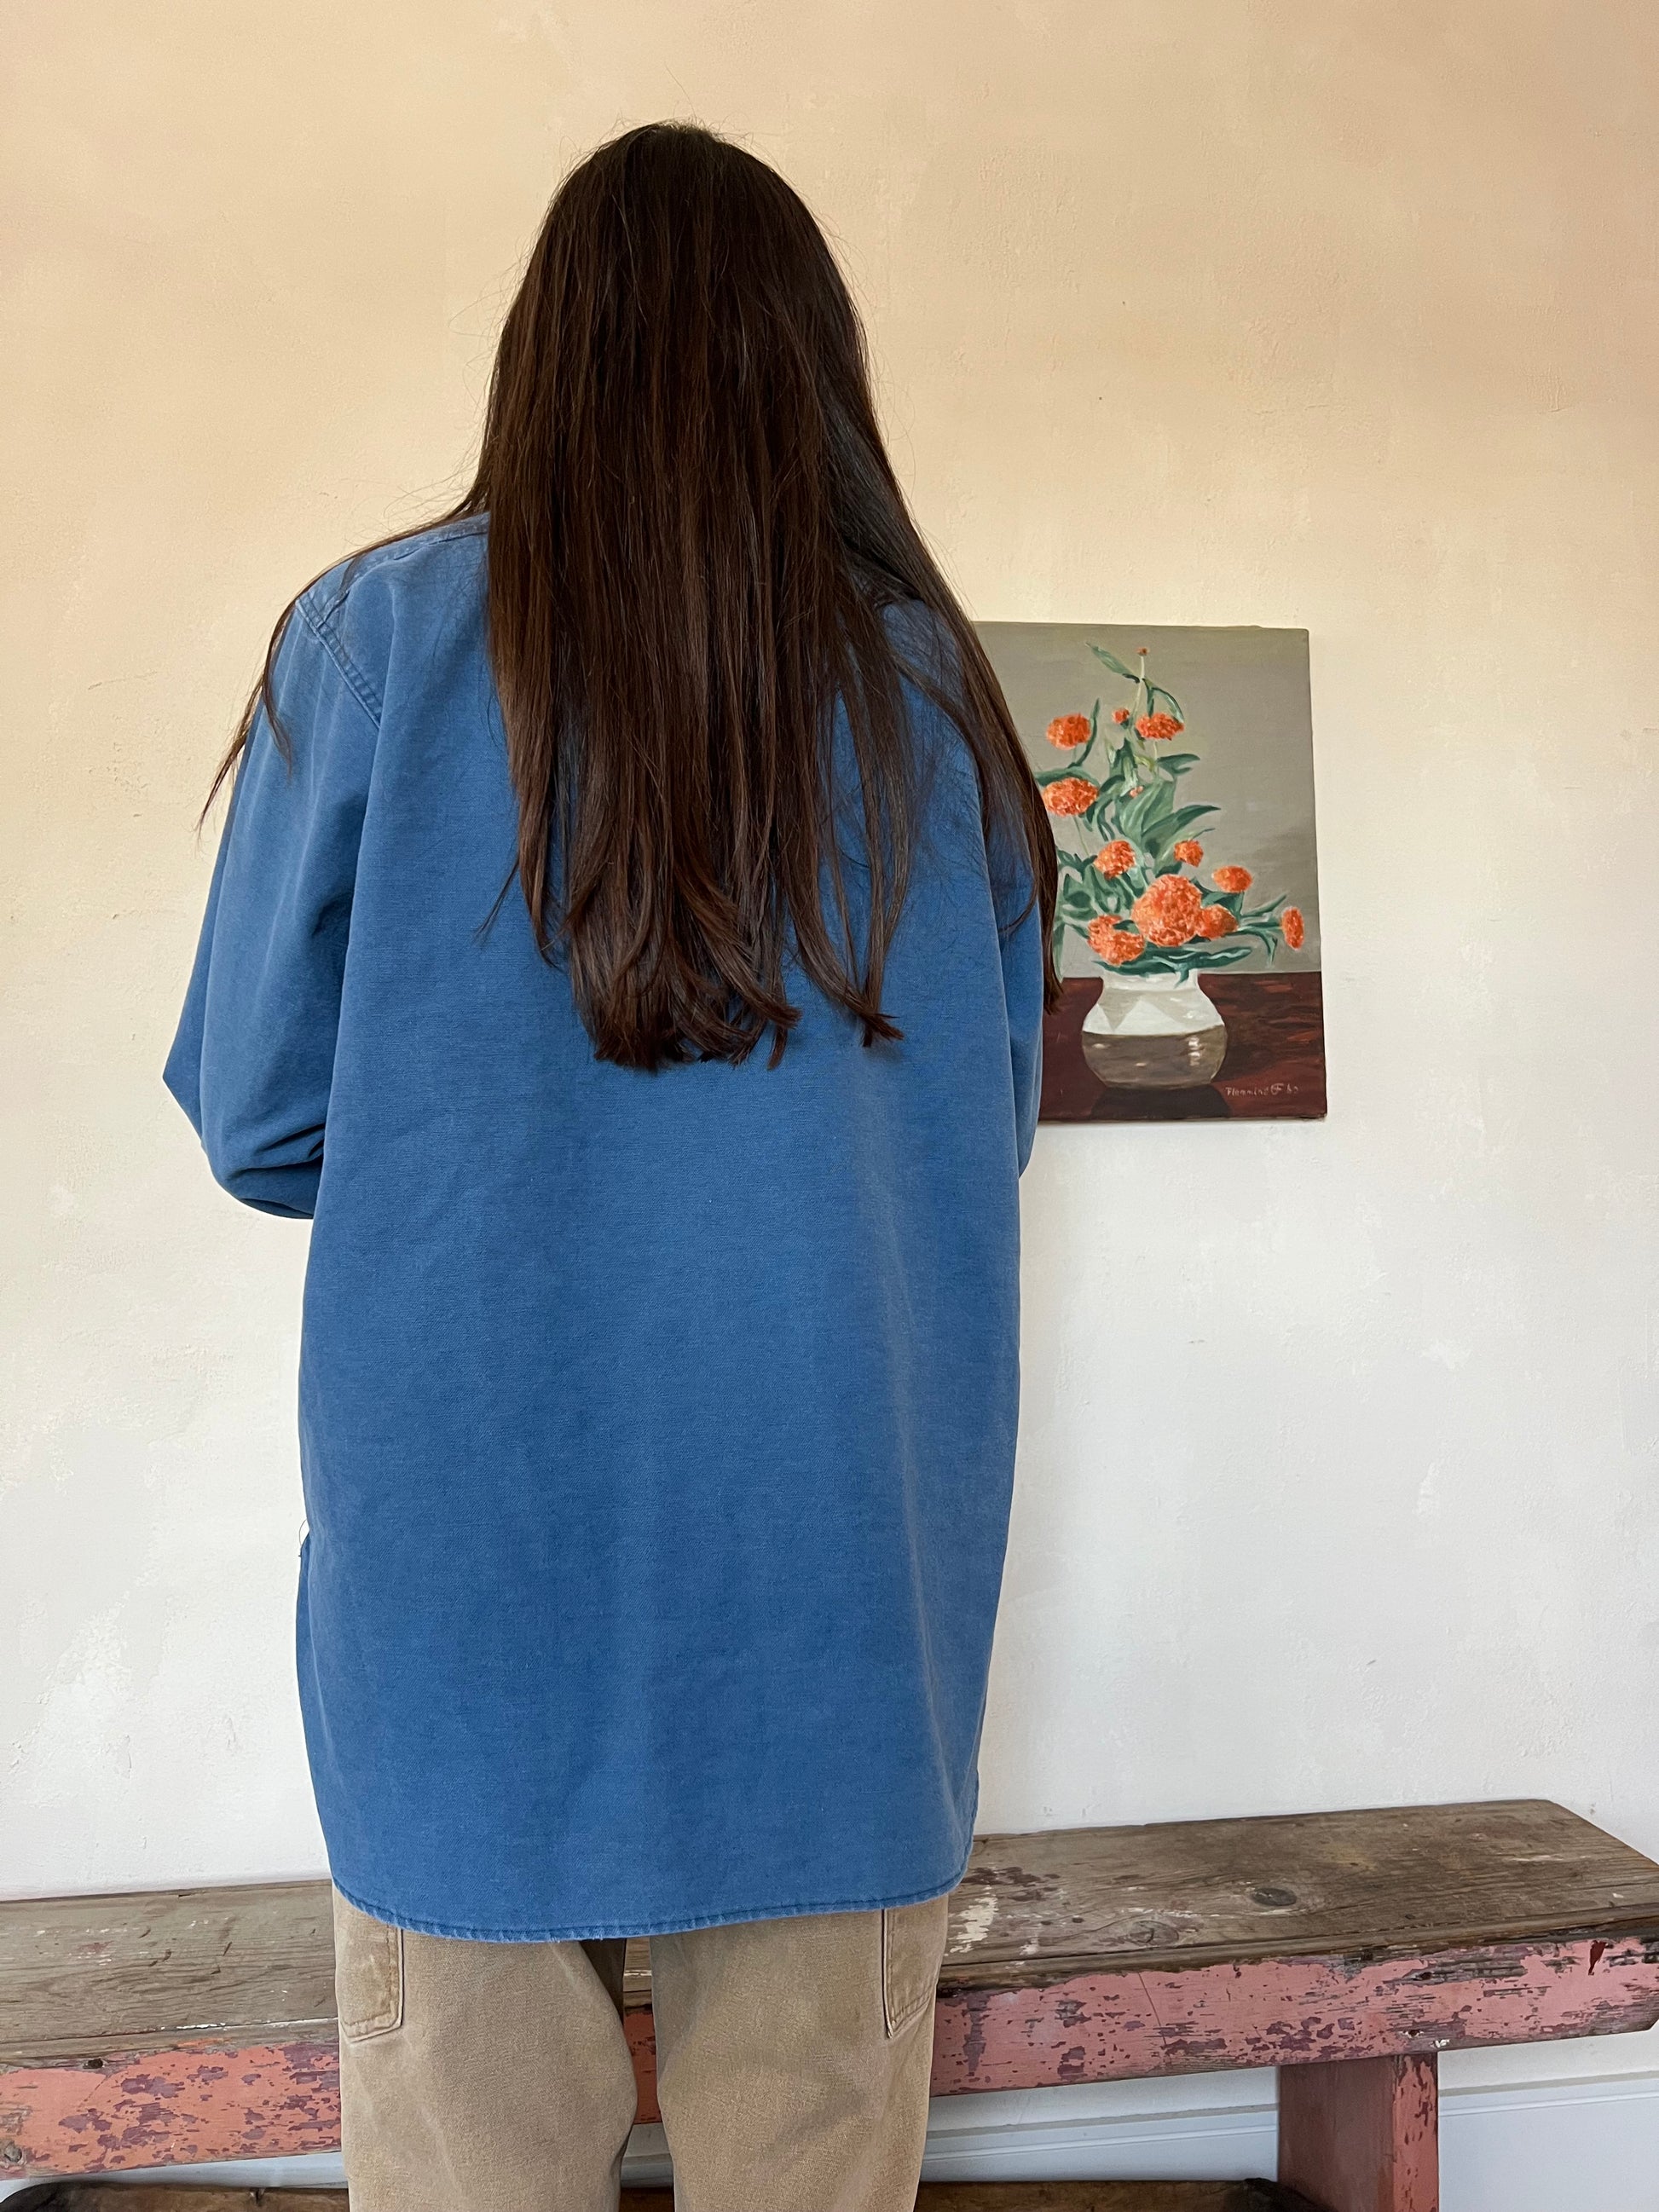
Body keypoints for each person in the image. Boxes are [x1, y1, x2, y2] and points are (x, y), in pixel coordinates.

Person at [165, 120, 1056, 2212]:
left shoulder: (374, 641)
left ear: (542, 348)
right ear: (815, 370)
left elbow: (259, 1113)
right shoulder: (932, 690)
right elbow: (986, 1127)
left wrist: (487, 1145)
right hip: (839, 1586)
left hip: (466, 1581)